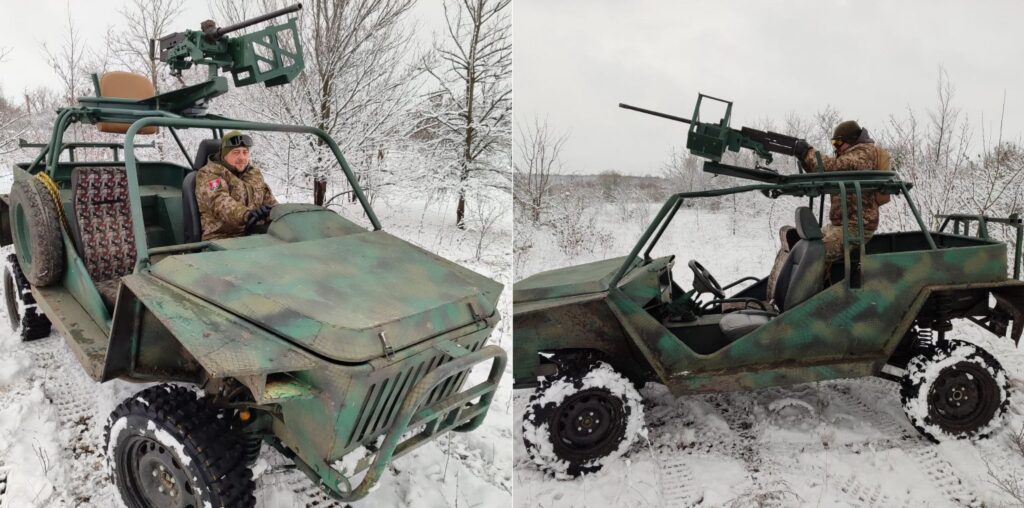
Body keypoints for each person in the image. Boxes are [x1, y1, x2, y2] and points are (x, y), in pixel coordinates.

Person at [792, 121, 891, 263]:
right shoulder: (851, 155)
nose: (836, 147)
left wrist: (807, 152)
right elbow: (822, 173)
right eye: (833, 143)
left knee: (812, 255)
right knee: (799, 246)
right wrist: (804, 158)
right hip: (841, 226)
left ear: (851, 140)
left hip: (856, 228)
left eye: (838, 142)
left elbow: (834, 167)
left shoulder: (864, 153)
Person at [195, 131, 278, 240]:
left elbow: (270, 202)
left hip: (254, 236)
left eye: (245, 152)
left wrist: (280, 213)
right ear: (224, 155)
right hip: (221, 239)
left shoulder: (254, 174)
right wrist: (248, 215)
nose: (242, 157)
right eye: (236, 152)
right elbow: (220, 203)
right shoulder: (209, 174)